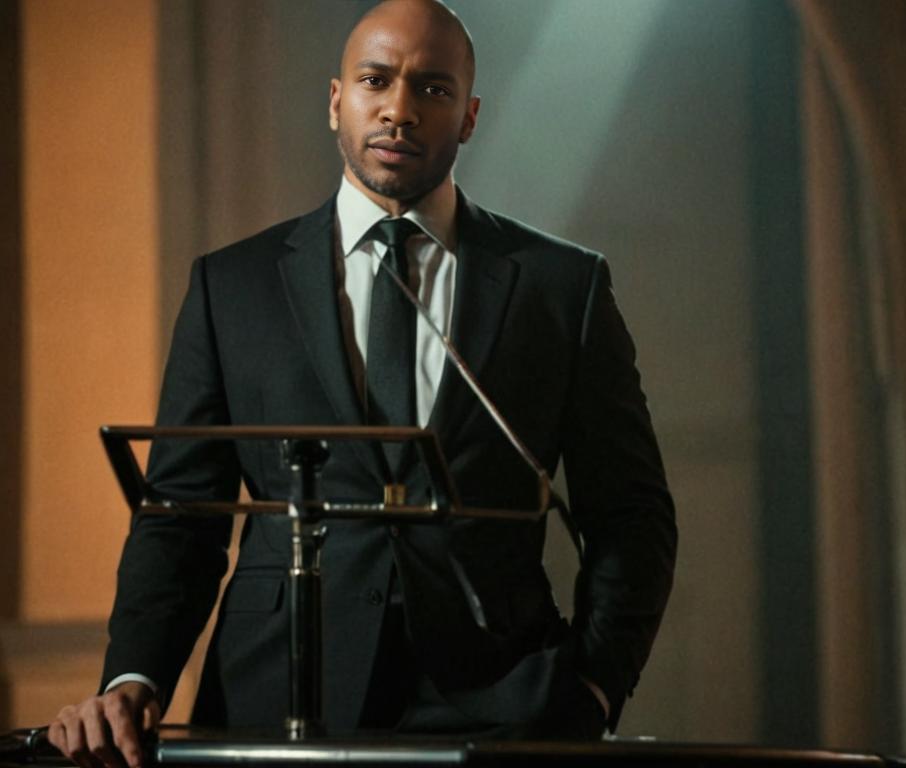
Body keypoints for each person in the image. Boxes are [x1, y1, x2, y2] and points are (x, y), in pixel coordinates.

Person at [48, 1, 676, 765]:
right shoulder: (232, 286)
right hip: (272, 699)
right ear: (337, 101)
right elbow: (179, 515)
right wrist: (135, 674)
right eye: (376, 80)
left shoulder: (562, 287)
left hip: (503, 706)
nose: (400, 110)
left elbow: (631, 513)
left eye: (433, 89)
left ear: (470, 117)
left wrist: (596, 687)